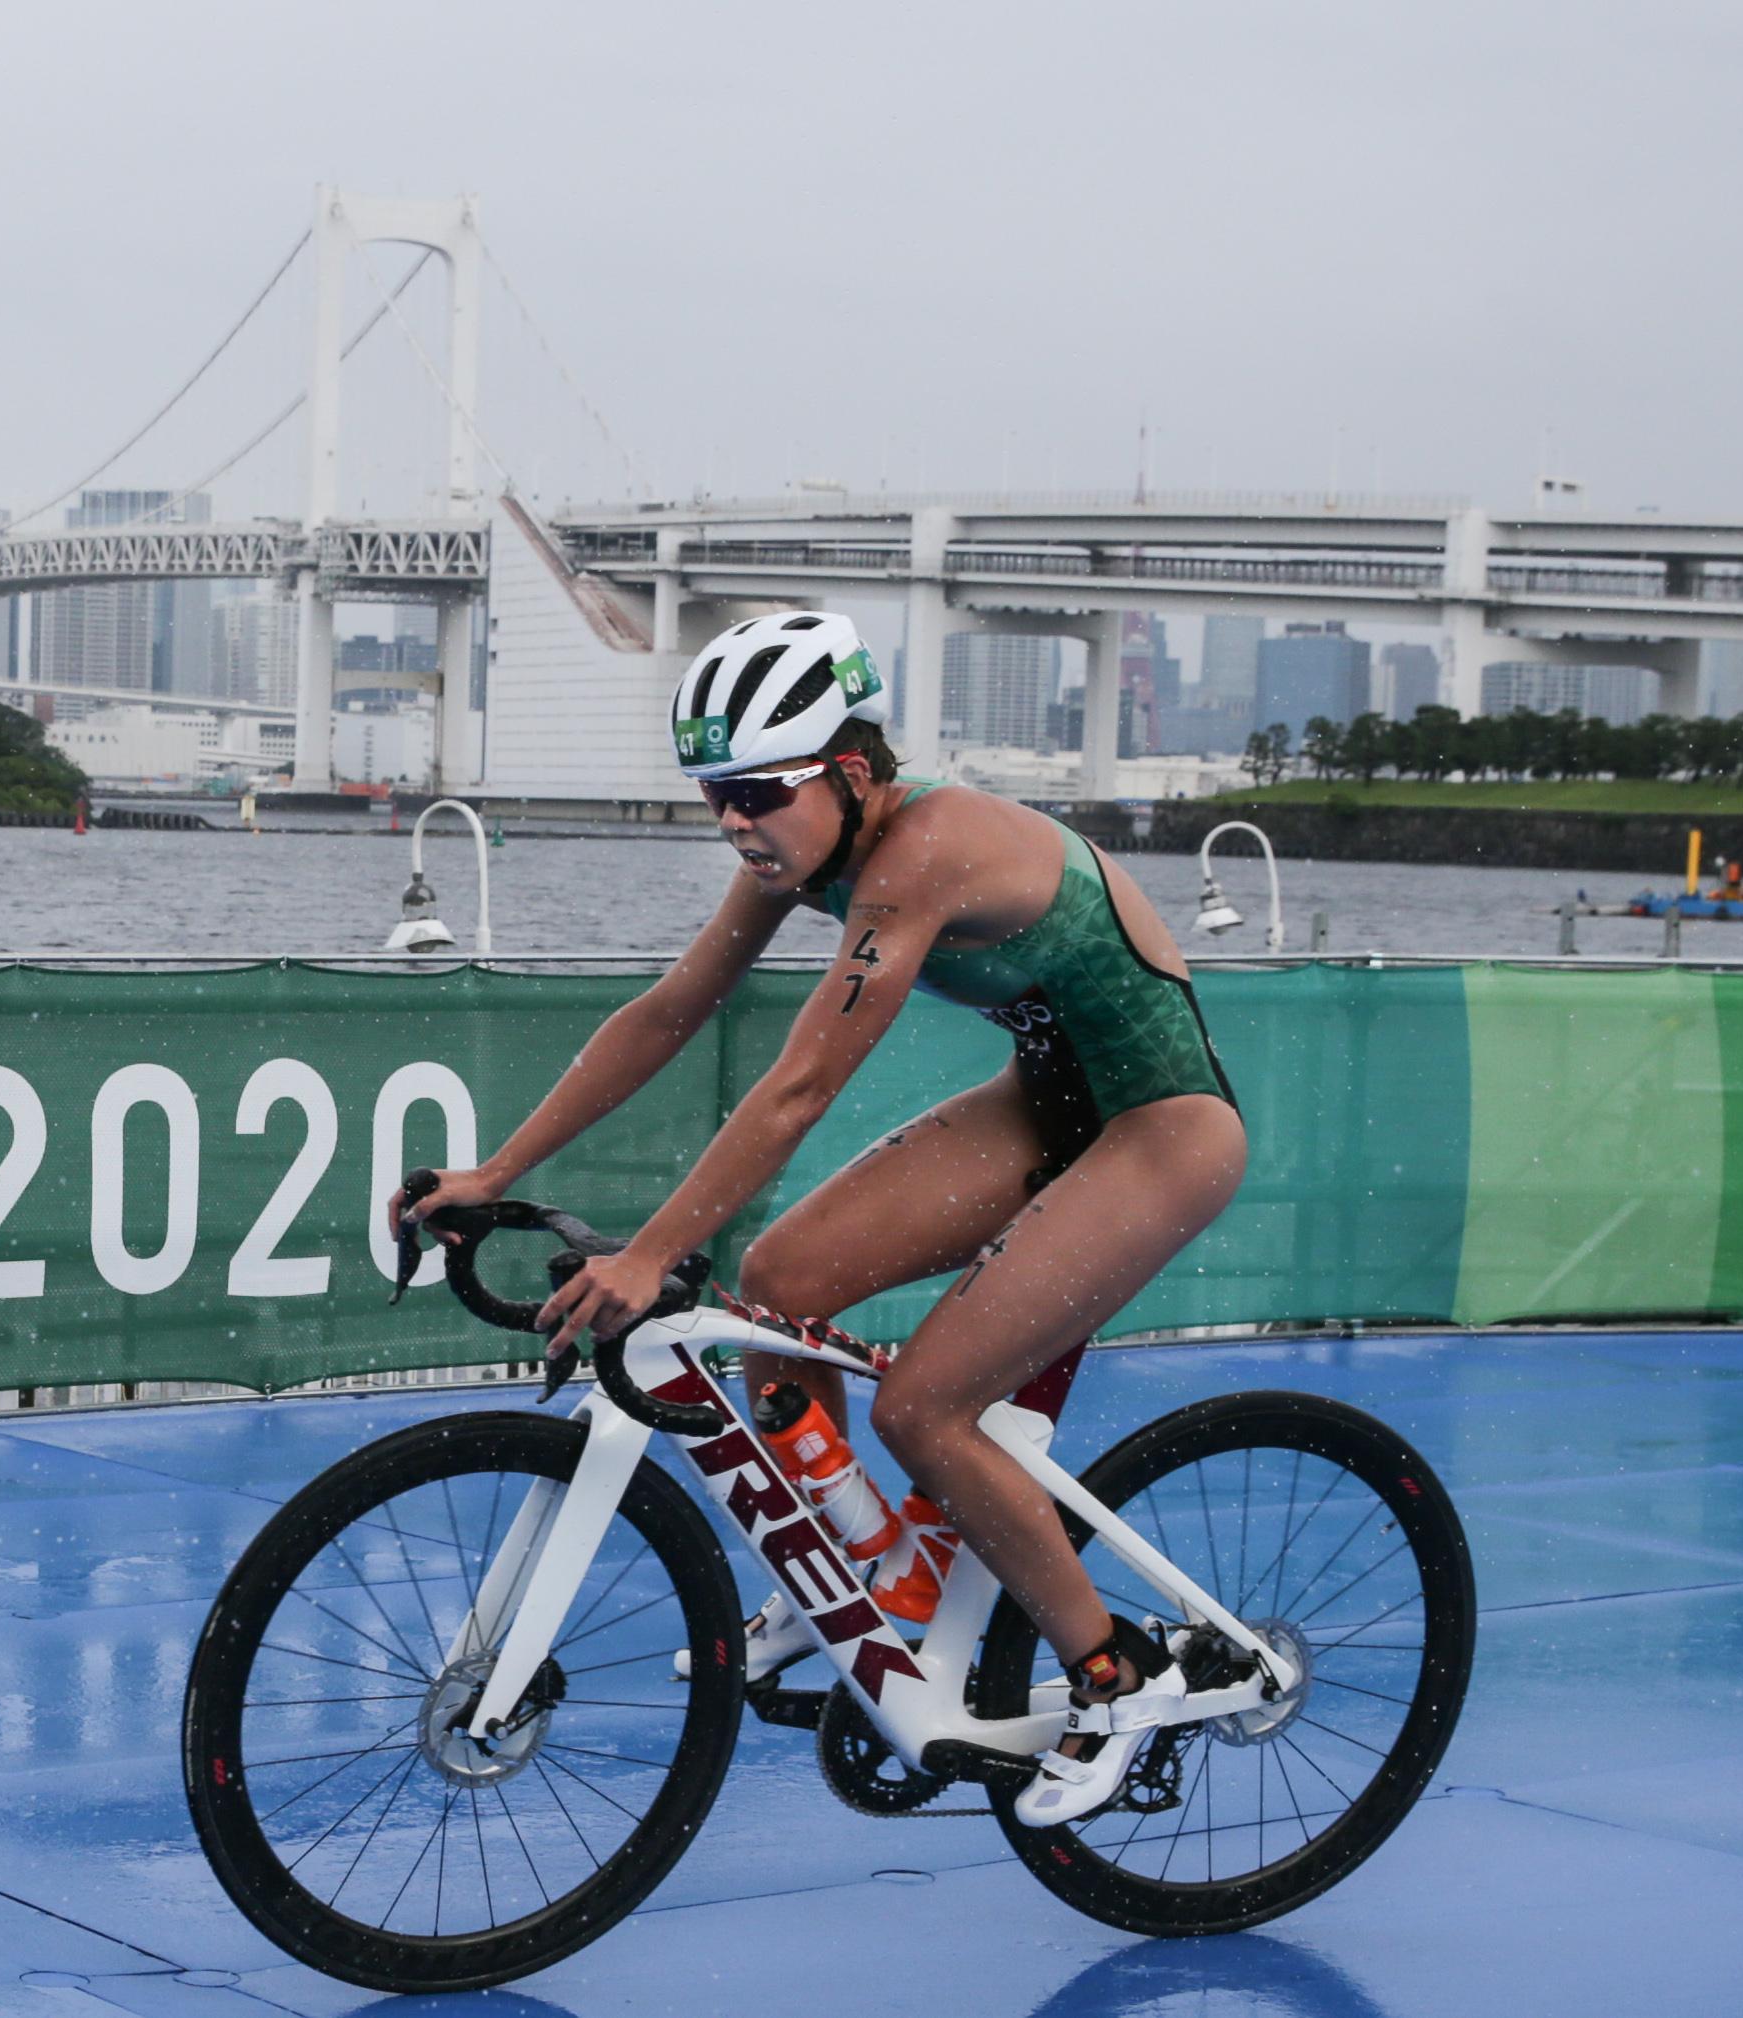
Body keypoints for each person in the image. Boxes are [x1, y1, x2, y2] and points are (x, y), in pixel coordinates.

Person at [389, 609, 1248, 1829]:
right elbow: (671, 1008)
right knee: (778, 1280)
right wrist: (497, 1164)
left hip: (1163, 1128)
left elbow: (797, 1087)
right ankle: (841, 1569)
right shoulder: (811, 850)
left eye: (755, 792)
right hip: (1044, 1107)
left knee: (923, 1408)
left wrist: (649, 1254)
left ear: (850, 772)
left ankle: (1118, 1669)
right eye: (714, 797)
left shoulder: (924, 851)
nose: (734, 822)